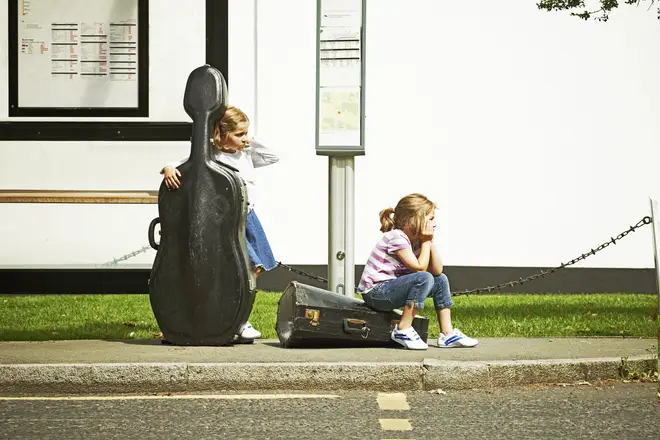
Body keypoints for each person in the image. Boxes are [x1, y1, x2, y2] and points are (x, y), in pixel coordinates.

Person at [160, 106, 278, 342]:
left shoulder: (245, 154)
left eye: (246, 133)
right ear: (220, 134)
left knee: (254, 269)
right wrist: (168, 169)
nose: (244, 138)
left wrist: (250, 141)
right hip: (227, 223)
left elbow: (272, 156)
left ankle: (240, 318)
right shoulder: (210, 155)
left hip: (248, 219)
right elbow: (180, 164)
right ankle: (235, 320)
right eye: (239, 134)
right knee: (238, 270)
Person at [357, 193, 478, 350]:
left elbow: (437, 270)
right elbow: (419, 268)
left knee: (440, 279)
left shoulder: (418, 242)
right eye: (431, 218)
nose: (434, 223)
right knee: (424, 277)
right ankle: (403, 329)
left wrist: (428, 242)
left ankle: (447, 334)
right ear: (412, 219)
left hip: (392, 289)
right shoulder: (396, 237)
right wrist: (426, 241)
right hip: (376, 293)